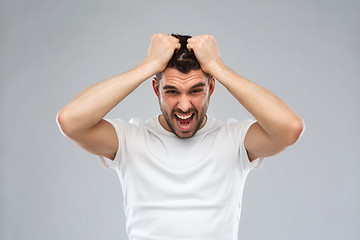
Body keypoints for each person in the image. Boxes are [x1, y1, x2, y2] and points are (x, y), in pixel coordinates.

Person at [57, 33, 304, 240]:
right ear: (156, 89)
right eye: (172, 91)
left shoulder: (235, 139)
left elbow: (289, 128)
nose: (184, 105)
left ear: (212, 88)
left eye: (196, 90)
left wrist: (218, 66)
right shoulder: (130, 139)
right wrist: (148, 66)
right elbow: (70, 121)